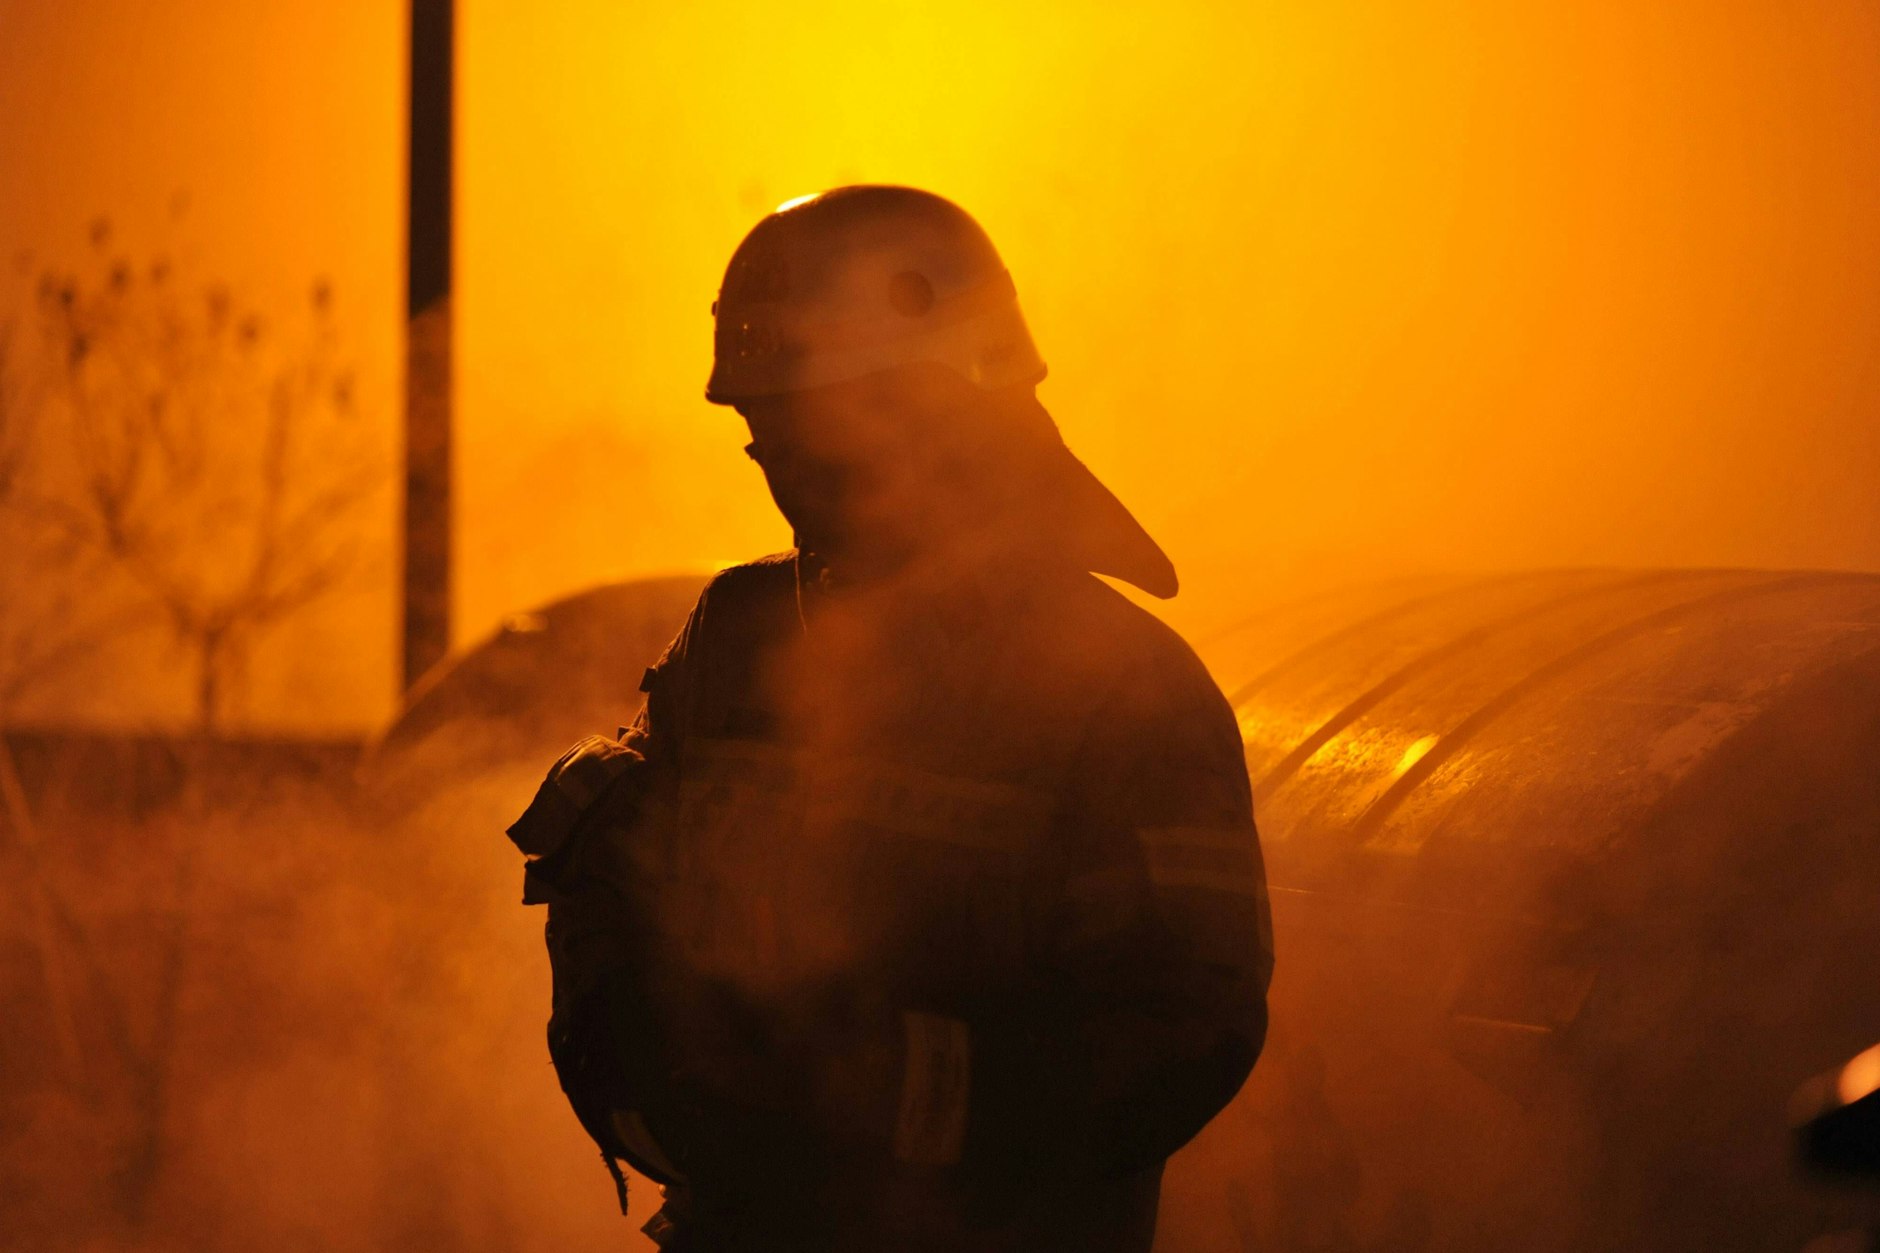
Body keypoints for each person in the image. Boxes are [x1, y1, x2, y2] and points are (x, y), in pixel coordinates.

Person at [505, 185, 1272, 1252]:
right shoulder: (735, 634)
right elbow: (628, 901)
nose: (767, 457)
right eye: (755, 423)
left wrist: (861, 1090)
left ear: (937, 402)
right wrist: (644, 1043)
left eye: (803, 421)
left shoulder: (1118, 692)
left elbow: (1182, 1036)